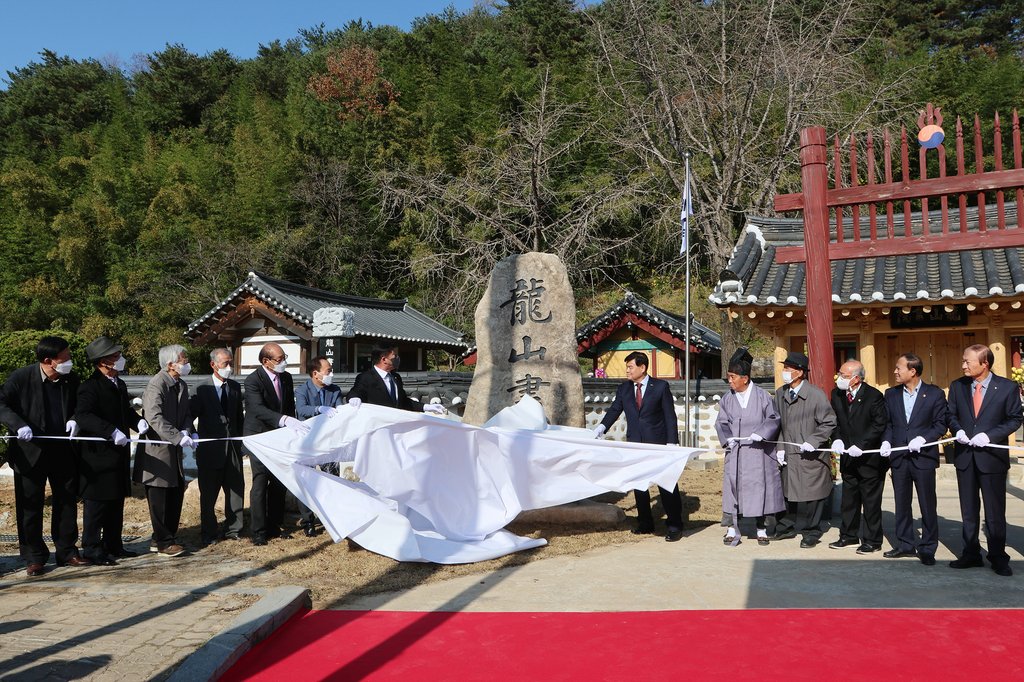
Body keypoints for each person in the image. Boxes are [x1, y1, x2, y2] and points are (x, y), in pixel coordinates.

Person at [0, 336, 90, 576]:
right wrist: (18, 425)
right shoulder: (21, 378)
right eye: (66, 358)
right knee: (30, 506)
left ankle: (67, 551)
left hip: (62, 450)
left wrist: (74, 420)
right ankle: (34, 556)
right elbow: (2, 405)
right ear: (49, 360)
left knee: (66, 502)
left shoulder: (70, 379)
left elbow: (79, 406)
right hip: (29, 453)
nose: (69, 361)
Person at [946, 343, 1023, 576]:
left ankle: (998, 556)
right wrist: (957, 430)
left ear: (984, 363)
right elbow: (950, 414)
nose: (963, 365)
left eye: (967, 362)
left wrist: (989, 435)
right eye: (963, 361)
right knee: (968, 511)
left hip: (991, 459)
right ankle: (970, 553)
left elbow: (1014, 419)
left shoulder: (1007, 387)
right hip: (965, 457)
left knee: (995, 512)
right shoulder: (958, 386)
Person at [593, 351, 684, 542]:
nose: (627, 370)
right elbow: (615, 410)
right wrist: (600, 429)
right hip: (635, 444)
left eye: (630, 367)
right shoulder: (624, 389)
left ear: (642, 368)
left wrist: (672, 442)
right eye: (627, 367)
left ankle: (675, 525)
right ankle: (645, 523)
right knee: (640, 486)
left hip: (658, 445)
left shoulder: (660, 387)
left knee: (666, 485)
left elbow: (669, 416)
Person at [75, 336, 149, 565]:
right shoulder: (90, 386)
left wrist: (138, 423)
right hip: (97, 455)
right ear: (103, 362)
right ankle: (92, 548)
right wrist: (110, 431)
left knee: (116, 501)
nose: (120, 360)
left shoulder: (119, 383)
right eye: (115, 357)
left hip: (118, 452)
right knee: (97, 504)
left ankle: (114, 545)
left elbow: (125, 411)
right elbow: (83, 415)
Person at [878, 353, 948, 566]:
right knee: (902, 503)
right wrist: (886, 442)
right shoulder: (891, 394)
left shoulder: (934, 394)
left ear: (913, 371)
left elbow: (940, 424)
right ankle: (905, 544)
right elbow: (888, 424)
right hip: (899, 456)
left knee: (927, 504)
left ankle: (927, 547)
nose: (895, 371)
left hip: (923, 457)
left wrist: (923, 439)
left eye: (899, 368)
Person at [714, 348, 783, 546]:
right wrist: (728, 439)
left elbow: (773, 418)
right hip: (735, 452)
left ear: (744, 378)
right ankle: (731, 528)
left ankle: (761, 529)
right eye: (728, 377)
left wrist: (760, 433)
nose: (730, 381)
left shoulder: (762, 396)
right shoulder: (727, 398)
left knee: (759, 488)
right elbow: (721, 423)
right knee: (732, 488)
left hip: (758, 452)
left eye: (732, 377)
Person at [244, 342, 309, 546]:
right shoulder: (253, 380)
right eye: (280, 360)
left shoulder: (287, 377)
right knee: (261, 484)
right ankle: (259, 531)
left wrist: (290, 424)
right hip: (260, 437)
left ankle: (275, 525)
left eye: (284, 358)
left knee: (279, 484)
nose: (284, 363)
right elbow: (257, 409)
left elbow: (288, 406)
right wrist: (284, 419)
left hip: (281, 437)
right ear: (266, 361)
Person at [771, 351, 838, 548]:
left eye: (788, 369)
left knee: (812, 494)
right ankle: (786, 526)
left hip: (810, 454)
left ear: (800, 372)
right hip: (789, 454)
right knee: (788, 491)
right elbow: (778, 424)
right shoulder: (780, 393)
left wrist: (814, 440)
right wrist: (780, 447)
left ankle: (812, 530)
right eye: (784, 368)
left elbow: (829, 422)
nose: (784, 372)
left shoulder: (816, 395)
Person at [135, 344, 194, 557]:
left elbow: (187, 412)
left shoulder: (182, 385)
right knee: (159, 497)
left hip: (175, 449)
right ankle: (164, 542)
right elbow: (154, 418)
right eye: (183, 360)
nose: (186, 363)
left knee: (176, 493)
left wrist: (188, 431)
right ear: (170, 364)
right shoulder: (156, 385)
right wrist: (178, 437)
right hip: (157, 450)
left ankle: (164, 537)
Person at [827, 359, 888, 555]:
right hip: (848, 458)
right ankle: (848, 535)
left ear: (856, 378)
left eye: (844, 376)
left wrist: (861, 445)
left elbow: (879, 425)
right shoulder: (836, 394)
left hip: (870, 459)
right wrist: (836, 439)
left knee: (870, 502)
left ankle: (872, 540)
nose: (839, 378)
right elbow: (835, 421)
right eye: (839, 373)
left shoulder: (874, 396)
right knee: (849, 499)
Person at [190, 348, 245, 546]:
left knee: (236, 490)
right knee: (209, 494)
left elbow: (239, 417)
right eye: (225, 364)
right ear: (213, 365)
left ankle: (234, 529)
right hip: (210, 449)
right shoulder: (200, 389)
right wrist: (192, 433)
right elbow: (189, 415)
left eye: (231, 363)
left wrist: (242, 442)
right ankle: (209, 532)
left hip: (232, 448)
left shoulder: (235, 388)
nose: (229, 368)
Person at [294, 355, 344, 536]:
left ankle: (333, 517)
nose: (331, 374)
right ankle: (308, 521)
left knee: (332, 478)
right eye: (328, 371)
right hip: (307, 442)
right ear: (316, 374)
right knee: (306, 482)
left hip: (328, 443)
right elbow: (301, 410)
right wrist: (319, 409)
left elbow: (339, 410)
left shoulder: (335, 390)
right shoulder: (302, 390)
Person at [346, 346, 446, 415]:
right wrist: (354, 398)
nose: (397, 359)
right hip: (376, 428)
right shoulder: (366, 377)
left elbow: (404, 402)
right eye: (394, 356)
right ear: (384, 359)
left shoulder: (396, 377)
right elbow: (355, 392)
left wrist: (426, 407)